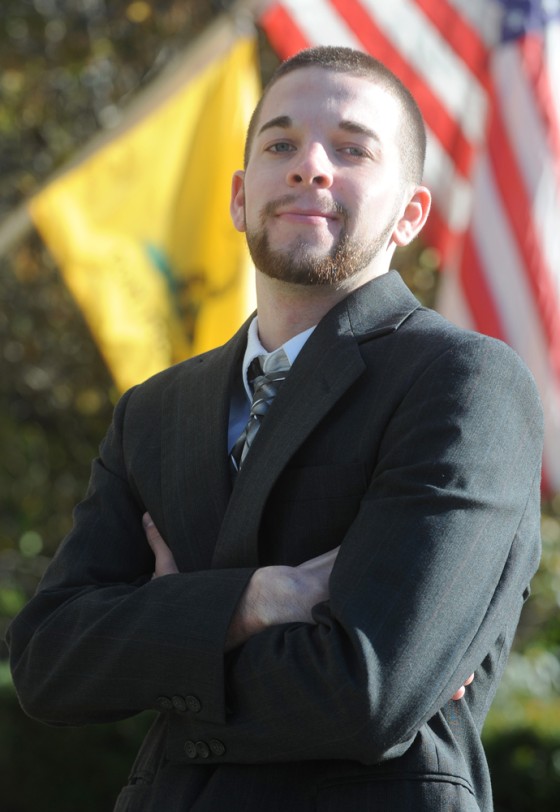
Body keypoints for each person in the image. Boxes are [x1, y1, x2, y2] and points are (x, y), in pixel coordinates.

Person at [7, 46, 543, 812]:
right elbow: (46, 661)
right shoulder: (153, 410)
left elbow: (368, 692)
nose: (309, 167)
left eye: (352, 150)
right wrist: (249, 603)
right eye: (281, 143)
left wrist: (161, 639)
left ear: (411, 214)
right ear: (239, 196)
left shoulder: (462, 382)